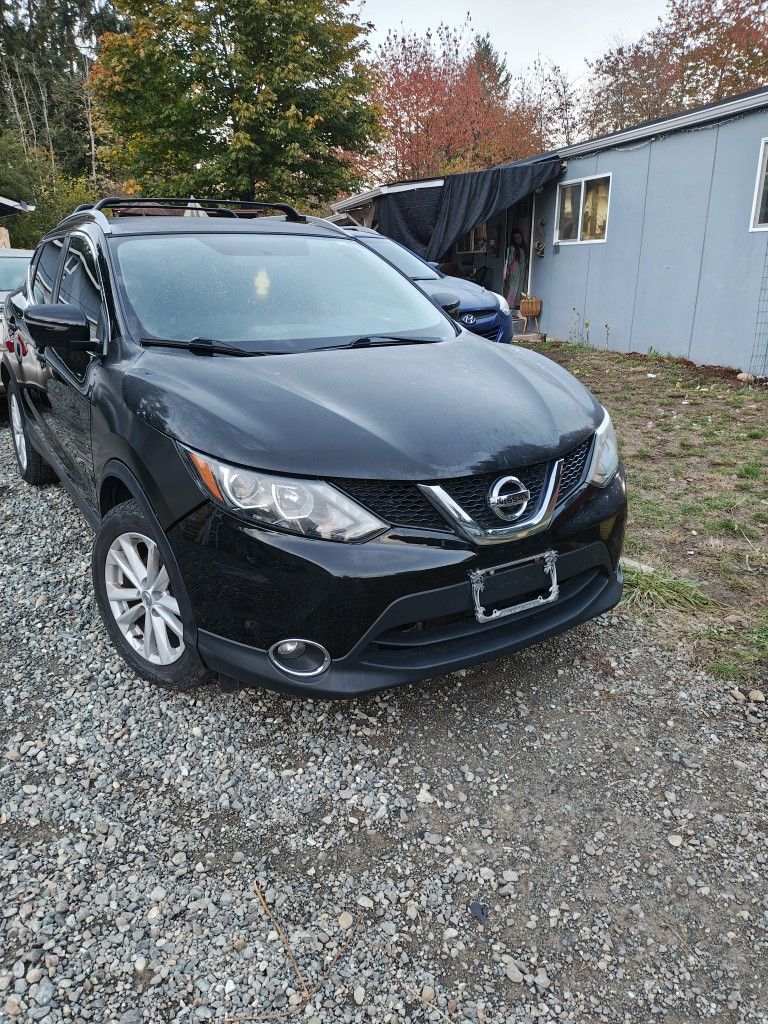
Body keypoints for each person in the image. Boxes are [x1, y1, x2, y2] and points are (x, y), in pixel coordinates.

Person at [503, 229, 528, 310]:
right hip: (514, 272)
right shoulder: (512, 248)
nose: (518, 240)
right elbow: (508, 261)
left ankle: (515, 308)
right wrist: (507, 270)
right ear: (513, 239)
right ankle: (508, 308)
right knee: (513, 290)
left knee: (519, 289)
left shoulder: (523, 248)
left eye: (520, 237)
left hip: (521, 272)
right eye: (516, 238)